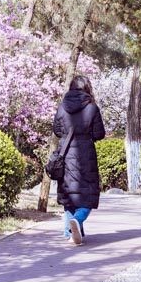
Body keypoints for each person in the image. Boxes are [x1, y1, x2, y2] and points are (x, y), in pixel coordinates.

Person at [52, 74, 105, 244]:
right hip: (85, 156)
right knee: (87, 196)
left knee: (69, 195)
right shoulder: (92, 108)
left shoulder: (62, 107)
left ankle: (71, 233)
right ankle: (76, 223)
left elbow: (57, 131)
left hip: (65, 155)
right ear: (87, 87)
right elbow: (99, 134)